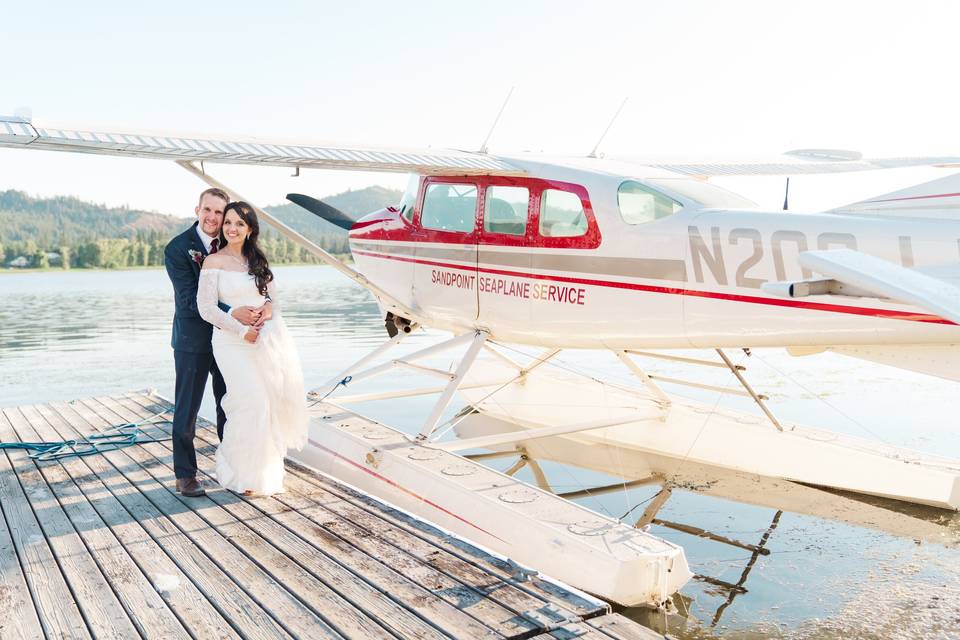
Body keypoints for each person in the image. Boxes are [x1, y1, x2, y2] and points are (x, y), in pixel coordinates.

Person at [196, 201, 308, 496]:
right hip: (230, 342)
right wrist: (240, 326)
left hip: (263, 341)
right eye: (228, 222)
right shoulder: (214, 262)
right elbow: (205, 308)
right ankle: (238, 473)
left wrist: (268, 310)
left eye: (239, 224)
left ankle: (263, 475)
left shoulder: (257, 262)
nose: (232, 228)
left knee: (267, 404)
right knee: (251, 402)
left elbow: (273, 301)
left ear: (250, 230)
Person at [164, 188, 262, 497]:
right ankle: (185, 475)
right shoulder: (178, 248)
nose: (213, 217)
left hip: (229, 341)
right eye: (208, 210)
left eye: (219, 213)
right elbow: (190, 302)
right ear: (197, 210)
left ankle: (232, 467)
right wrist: (235, 313)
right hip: (193, 340)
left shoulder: (233, 244)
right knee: (187, 410)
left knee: (229, 405)